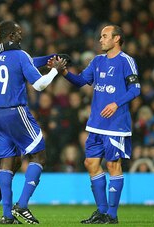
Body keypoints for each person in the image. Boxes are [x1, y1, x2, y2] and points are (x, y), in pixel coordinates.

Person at [0, 20, 66, 224]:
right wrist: (55, 70)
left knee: (12, 161)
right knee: (7, 161)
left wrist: (48, 59)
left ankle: (6, 214)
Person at [53, 24, 141, 224]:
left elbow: (135, 89)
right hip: (95, 124)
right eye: (100, 36)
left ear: (117, 38)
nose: (100, 40)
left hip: (116, 124)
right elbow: (81, 81)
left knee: (112, 165)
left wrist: (116, 103)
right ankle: (102, 212)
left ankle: (112, 215)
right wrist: (63, 72)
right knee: (90, 163)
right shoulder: (97, 61)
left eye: (104, 36)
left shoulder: (126, 61)